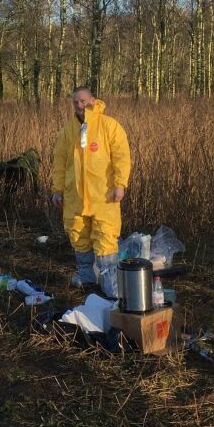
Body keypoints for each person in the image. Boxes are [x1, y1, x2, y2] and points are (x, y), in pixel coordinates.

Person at [51, 86, 131, 297]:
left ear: (93, 100)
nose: (79, 105)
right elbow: (59, 162)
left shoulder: (109, 126)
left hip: (103, 197)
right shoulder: (68, 131)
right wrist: (57, 189)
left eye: (83, 101)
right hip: (74, 198)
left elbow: (121, 157)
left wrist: (120, 184)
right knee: (79, 240)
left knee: (106, 241)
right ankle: (89, 289)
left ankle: (112, 294)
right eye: (76, 102)